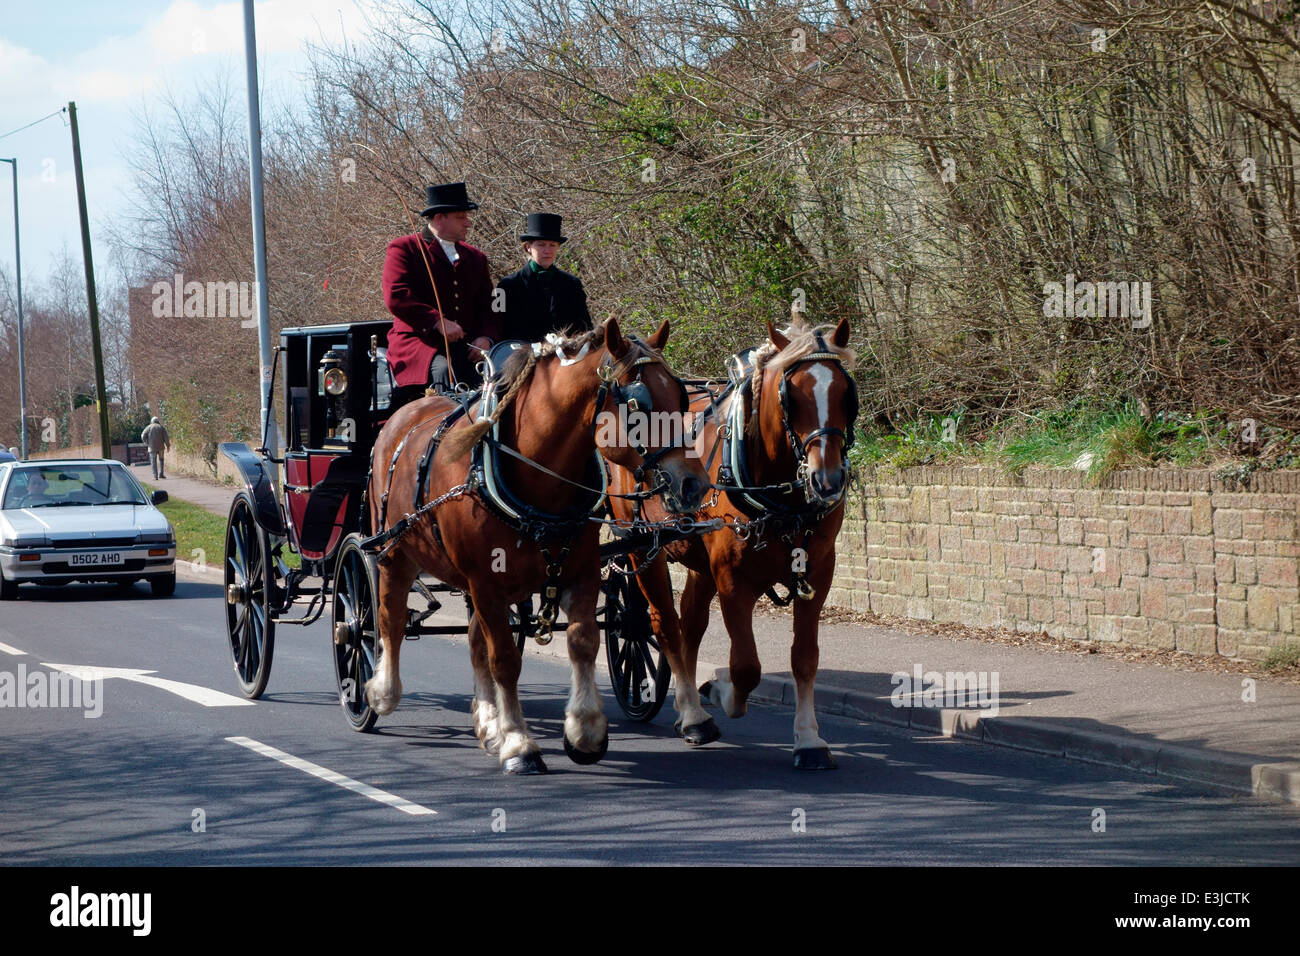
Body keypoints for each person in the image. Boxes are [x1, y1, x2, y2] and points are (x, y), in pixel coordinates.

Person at [382, 182, 499, 408]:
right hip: (418, 345)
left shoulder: (476, 257)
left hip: (467, 346)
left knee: (501, 370)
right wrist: (436, 321)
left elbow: (490, 306)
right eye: (460, 216)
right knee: (444, 370)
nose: (468, 222)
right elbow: (396, 295)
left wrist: (485, 337)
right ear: (439, 218)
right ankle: (445, 437)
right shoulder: (405, 249)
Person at [494, 212, 592, 344]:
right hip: (522, 357)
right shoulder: (506, 286)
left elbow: (584, 327)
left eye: (552, 245)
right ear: (528, 247)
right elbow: (497, 328)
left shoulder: (572, 284)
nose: (547, 250)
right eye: (541, 244)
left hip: (564, 357)